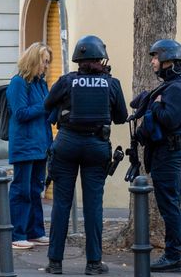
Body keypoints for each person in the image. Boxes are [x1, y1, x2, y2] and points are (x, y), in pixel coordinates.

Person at [43, 35, 127, 275]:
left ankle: (55, 262)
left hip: (67, 143)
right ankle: (93, 263)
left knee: (61, 203)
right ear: (99, 59)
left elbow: (47, 105)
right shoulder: (111, 84)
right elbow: (121, 117)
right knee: (93, 206)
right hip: (96, 145)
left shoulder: (67, 81)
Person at [134, 39, 181, 273]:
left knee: (169, 203)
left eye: (155, 57)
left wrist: (155, 105)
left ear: (167, 60)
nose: (152, 61)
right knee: (170, 201)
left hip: (171, 150)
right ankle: (172, 254)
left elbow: (171, 119)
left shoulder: (176, 88)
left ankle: (173, 256)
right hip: (177, 147)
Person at [6, 42, 54, 250]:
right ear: (34, 61)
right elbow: (21, 113)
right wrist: (45, 106)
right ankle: (18, 234)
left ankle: (36, 231)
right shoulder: (18, 83)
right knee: (22, 190)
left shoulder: (40, 84)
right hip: (24, 145)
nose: (46, 67)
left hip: (39, 145)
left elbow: (44, 114)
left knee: (36, 190)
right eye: (44, 62)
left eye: (48, 63)